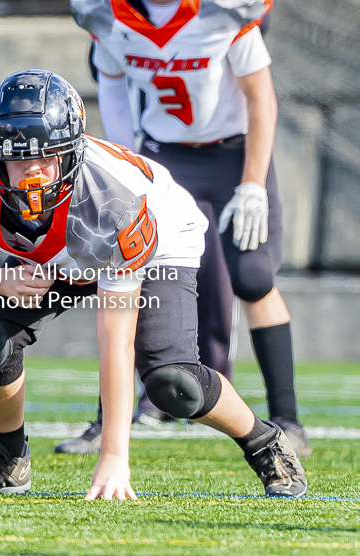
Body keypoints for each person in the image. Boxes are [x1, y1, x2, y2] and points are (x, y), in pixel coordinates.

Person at [0, 69, 307, 498]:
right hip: (65, 248)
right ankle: (7, 458)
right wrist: (0, 280)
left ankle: (265, 442)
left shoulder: (113, 202)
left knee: (173, 383)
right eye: (18, 159)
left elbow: (116, 341)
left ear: (71, 152)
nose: (33, 172)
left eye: (46, 156)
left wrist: (113, 457)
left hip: (154, 237)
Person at [62, 0, 312, 458]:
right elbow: (114, 88)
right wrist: (126, 167)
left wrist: (253, 183)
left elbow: (261, 99)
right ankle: (110, 419)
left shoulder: (222, 12)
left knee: (253, 277)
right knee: (138, 271)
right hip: (167, 155)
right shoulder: (111, 16)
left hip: (233, 154)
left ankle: (288, 419)